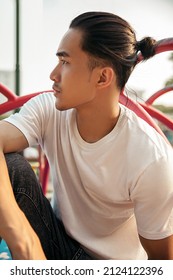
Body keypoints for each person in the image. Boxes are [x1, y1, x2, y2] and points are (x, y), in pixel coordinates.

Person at [0, 11, 173, 260]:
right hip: (55, 241)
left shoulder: (151, 158)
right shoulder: (49, 108)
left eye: (66, 62)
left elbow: (162, 265)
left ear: (103, 77)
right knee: (10, 165)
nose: (53, 74)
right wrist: (23, 238)